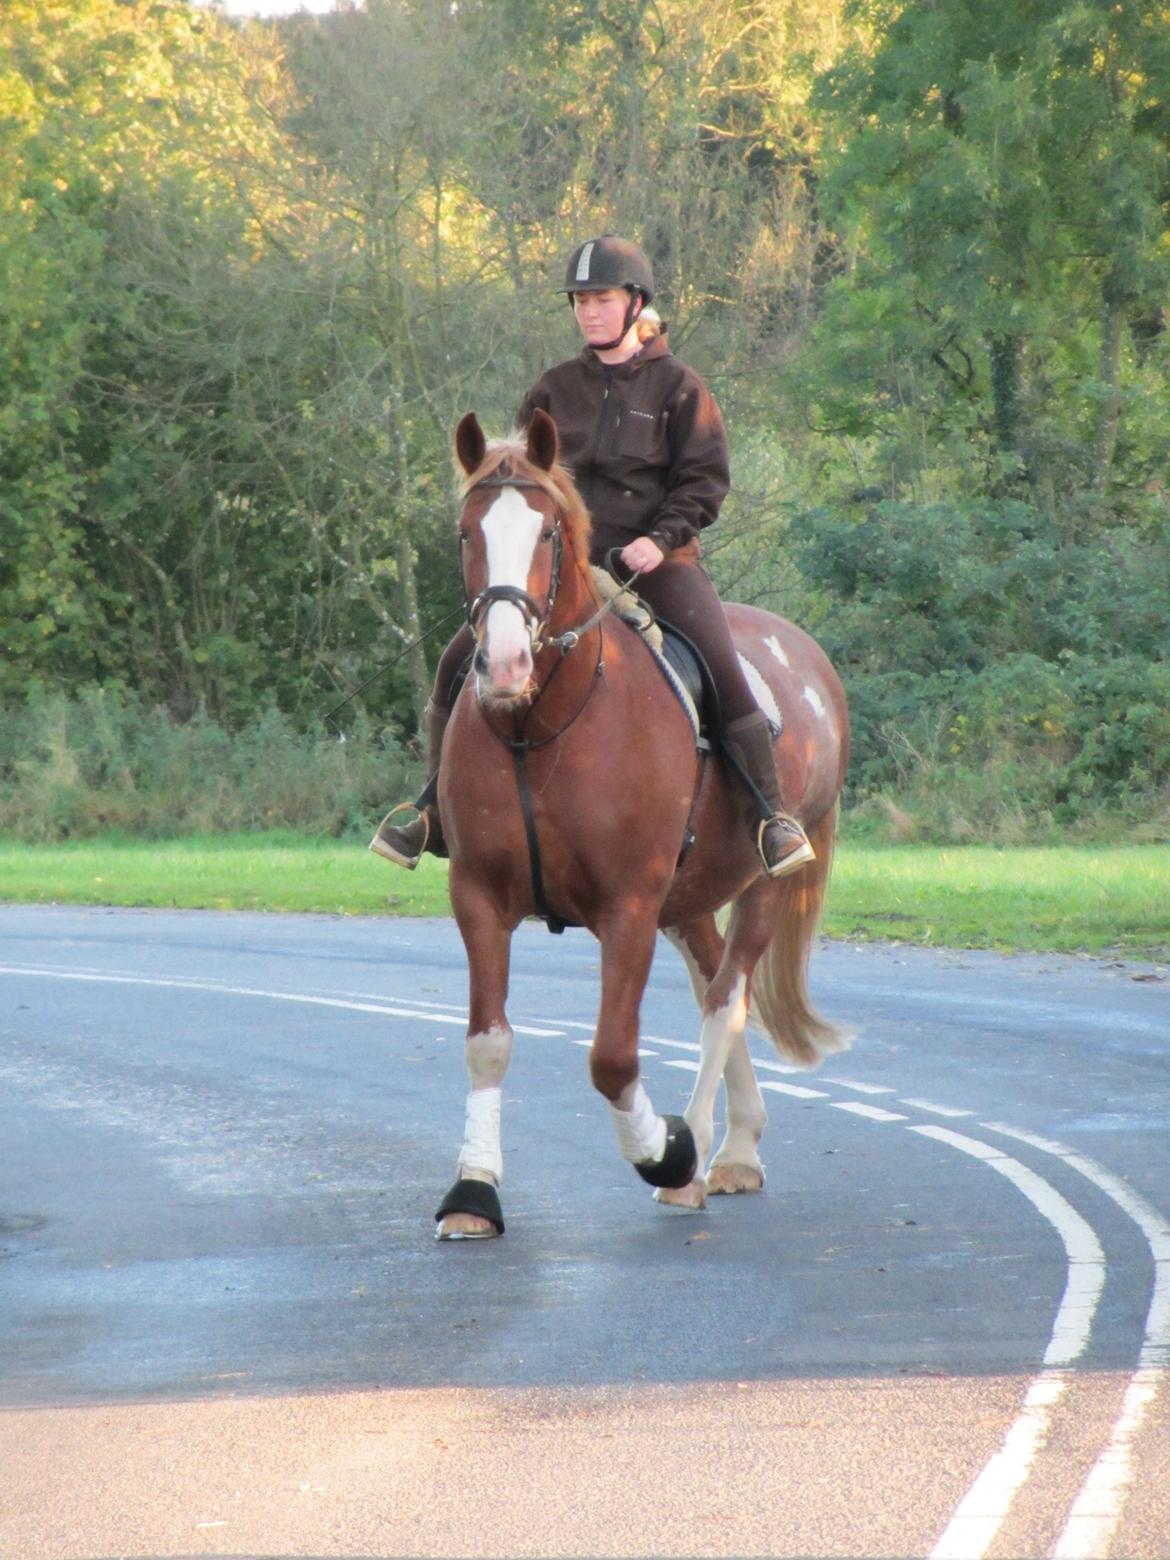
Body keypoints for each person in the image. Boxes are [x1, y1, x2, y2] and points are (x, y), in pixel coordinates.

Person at [370, 234, 814, 878]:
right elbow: (520, 482)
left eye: (601, 298)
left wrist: (659, 540)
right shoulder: (554, 388)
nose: (588, 312)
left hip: (656, 566)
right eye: (579, 301)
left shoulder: (680, 388)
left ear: (636, 303)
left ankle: (770, 817)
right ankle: (431, 812)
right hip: (563, 572)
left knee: (720, 664)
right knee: (454, 663)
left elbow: (705, 480)